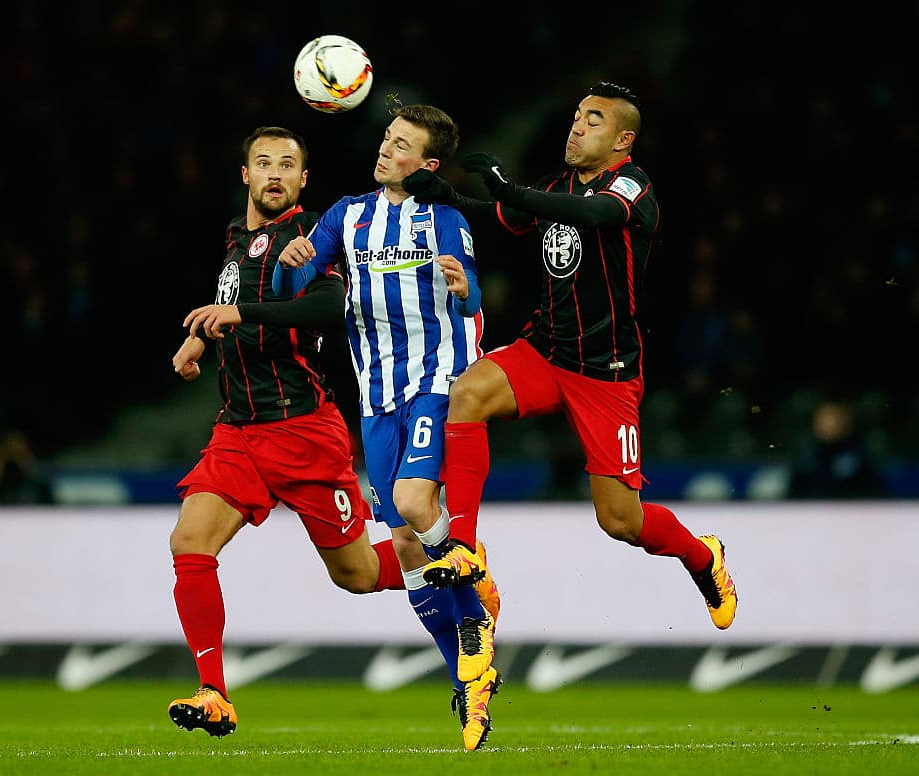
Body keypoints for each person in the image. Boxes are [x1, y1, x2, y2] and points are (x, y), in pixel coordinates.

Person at [403, 82, 738, 632]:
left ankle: (704, 558)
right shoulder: (557, 185)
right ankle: (462, 545)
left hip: (606, 373)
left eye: (594, 120)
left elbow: (592, 215)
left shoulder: (631, 186)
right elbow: (501, 215)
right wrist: (446, 193)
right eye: (578, 116)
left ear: (622, 139)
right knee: (467, 394)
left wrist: (514, 191)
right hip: (546, 352)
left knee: (620, 520)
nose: (577, 126)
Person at [167, 126, 408, 739]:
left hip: (303, 430)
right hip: (238, 432)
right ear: (245, 175)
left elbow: (330, 308)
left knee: (355, 574)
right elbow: (235, 295)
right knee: (189, 542)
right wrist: (202, 334)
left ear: (303, 180)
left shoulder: (309, 238)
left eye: (288, 165)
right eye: (263, 163)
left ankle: (451, 562)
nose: (275, 173)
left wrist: (239, 314)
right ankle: (213, 691)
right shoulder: (236, 237)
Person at [274, 103, 502, 752]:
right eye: (386, 138)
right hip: (376, 394)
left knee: (410, 502)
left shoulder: (446, 219)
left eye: (401, 145)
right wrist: (297, 257)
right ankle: (469, 670)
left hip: (438, 381)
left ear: (427, 164)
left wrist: (464, 290)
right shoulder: (347, 214)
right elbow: (301, 273)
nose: (385, 150)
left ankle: (473, 572)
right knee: (404, 547)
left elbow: (475, 296)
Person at [788, 399, 887, 498]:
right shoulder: (807, 456)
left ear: (845, 423)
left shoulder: (859, 455)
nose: (828, 425)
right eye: (824, 420)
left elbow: (874, 490)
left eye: (833, 419)